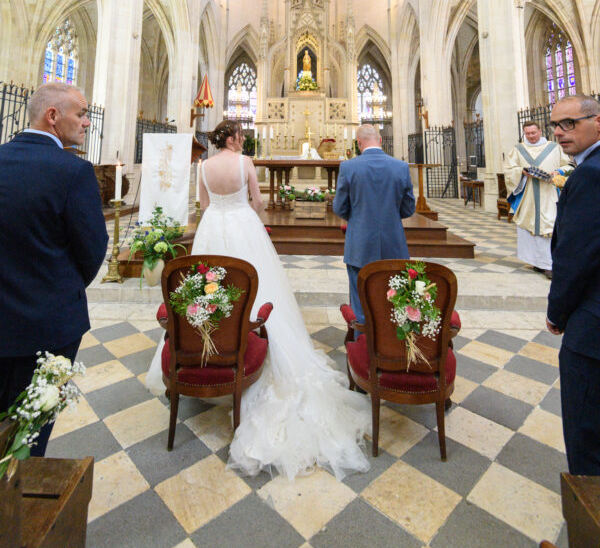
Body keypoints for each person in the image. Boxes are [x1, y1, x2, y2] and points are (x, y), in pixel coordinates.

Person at [146, 119, 369, 480]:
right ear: (234, 139)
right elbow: (257, 200)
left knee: (207, 288)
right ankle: (248, 343)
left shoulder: (203, 166)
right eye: (241, 137)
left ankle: (204, 345)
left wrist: (219, 214)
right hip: (242, 226)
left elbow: (203, 204)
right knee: (255, 287)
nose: (242, 141)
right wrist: (250, 218)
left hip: (212, 228)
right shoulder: (243, 162)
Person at [0, 82, 108, 454]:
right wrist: (62, 286)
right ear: (53, 116)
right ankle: (18, 505)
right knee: (29, 434)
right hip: (50, 324)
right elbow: (92, 250)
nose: (87, 123)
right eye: (81, 114)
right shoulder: (73, 171)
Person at [546, 94, 600, 474]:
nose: (559, 133)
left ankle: (589, 523)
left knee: (586, 431)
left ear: (597, 121)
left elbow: (577, 255)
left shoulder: (591, 174)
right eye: (555, 125)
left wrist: (557, 312)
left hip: (592, 322)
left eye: (569, 123)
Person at [333, 124, 415, 326]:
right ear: (379, 140)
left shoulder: (348, 167)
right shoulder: (401, 167)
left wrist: (358, 218)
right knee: (395, 296)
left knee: (361, 299)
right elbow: (409, 208)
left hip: (360, 245)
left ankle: (363, 344)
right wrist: (390, 216)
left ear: (359, 143)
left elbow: (339, 207)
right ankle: (392, 343)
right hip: (394, 243)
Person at [504, 120, 570, 279]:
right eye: (527, 133)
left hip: (549, 193)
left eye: (533, 133)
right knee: (528, 225)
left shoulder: (554, 147)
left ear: (540, 131)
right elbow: (509, 169)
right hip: (528, 196)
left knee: (550, 227)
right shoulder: (518, 149)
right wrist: (521, 172)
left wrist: (558, 171)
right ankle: (537, 263)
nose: (531, 136)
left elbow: (570, 165)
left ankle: (550, 265)